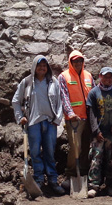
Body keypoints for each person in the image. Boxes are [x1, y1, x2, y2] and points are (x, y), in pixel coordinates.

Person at [11, 55, 65, 195]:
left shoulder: (53, 82)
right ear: (34, 67)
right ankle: (39, 179)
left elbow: (60, 102)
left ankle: (53, 180)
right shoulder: (27, 82)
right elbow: (16, 101)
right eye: (39, 65)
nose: (42, 68)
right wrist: (20, 117)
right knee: (35, 152)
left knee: (50, 152)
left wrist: (57, 119)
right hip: (33, 122)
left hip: (50, 122)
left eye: (44, 66)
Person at [58, 50, 95, 181]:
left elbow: (94, 94)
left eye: (80, 60)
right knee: (75, 148)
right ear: (70, 62)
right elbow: (64, 97)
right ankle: (71, 173)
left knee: (86, 147)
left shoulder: (88, 76)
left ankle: (83, 173)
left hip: (88, 118)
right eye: (75, 61)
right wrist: (70, 113)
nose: (78, 63)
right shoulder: (64, 76)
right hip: (74, 120)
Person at [86, 66, 112, 197]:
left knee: (111, 158)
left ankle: (110, 185)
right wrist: (96, 130)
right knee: (96, 158)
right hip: (98, 134)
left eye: (110, 76)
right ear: (100, 76)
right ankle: (94, 185)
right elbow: (92, 113)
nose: (108, 79)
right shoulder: (94, 92)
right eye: (105, 76)